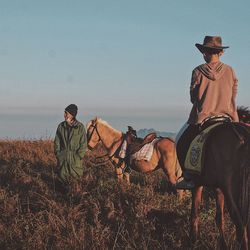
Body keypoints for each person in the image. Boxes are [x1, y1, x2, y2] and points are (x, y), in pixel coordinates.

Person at [175, 36, 239, 189]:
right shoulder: (230, 71)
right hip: (228, 117)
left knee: (181, 141)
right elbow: (233, 94)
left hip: (204, 118)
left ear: (204, 52)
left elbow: (193, 98)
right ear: (220, 52)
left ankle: (188, 176)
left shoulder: (197, 71)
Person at [54, 104, 87, 183]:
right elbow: (57, 142)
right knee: (62, 182)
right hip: (63, 160)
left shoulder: (80, 127)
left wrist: (78, 156)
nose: (64, 115)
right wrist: (59, 154)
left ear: (72, 114)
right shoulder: (61, 126)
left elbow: (83, 144)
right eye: (64, 112)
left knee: (75, 182)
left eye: (66, 113)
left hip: (75, 162)